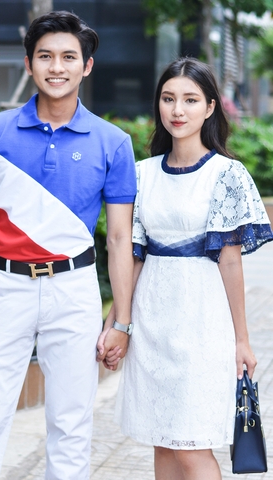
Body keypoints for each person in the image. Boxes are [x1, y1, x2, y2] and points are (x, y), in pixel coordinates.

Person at [0, 11, 136, 480]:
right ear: (29, 64)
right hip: (4, 287)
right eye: (46, 56)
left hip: (73, 290)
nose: (58, 67)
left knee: (72, 423)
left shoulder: (113, 143)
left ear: (87, 66)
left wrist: (122, 320)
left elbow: (119, 238)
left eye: (69, 57)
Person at [98, 57, 273, 479]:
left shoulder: (226, 174)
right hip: (152, 316)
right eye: (168, 98)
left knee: (193, 445)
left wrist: (242, 341)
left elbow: (230, 260)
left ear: (210, 107)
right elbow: (132, 255)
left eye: (190, 100)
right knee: (163, 441)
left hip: (203, 319)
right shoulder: (141, 175)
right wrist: (115, 323)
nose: (178, 110)